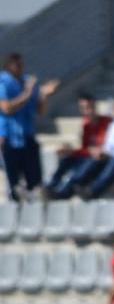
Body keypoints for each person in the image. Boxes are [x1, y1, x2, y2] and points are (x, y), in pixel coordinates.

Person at [1, 53, 58, 201]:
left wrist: (43, 95)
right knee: (15, 185)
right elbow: (7, 108)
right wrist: (27, 93)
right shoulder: (3, 83)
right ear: (8, 66)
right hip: (10, 139)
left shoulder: (26, 82)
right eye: (17, 65)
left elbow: (40, 111)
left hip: (27, 136)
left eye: (22, 65)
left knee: (35, 182)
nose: (21, 68)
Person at [44, 91, 109, 200]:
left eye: (89, 107)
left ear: (94, 106)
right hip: (89, 156)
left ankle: (64, 192)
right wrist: (70, 152)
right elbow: (86, 149)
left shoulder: (106, 122)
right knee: (66, 158)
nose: (87, 111)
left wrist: (93, 151)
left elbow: (102, 148)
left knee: (88, 163)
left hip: (101, 160)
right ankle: (51, 185)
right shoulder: (86, 125)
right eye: (83, 108)